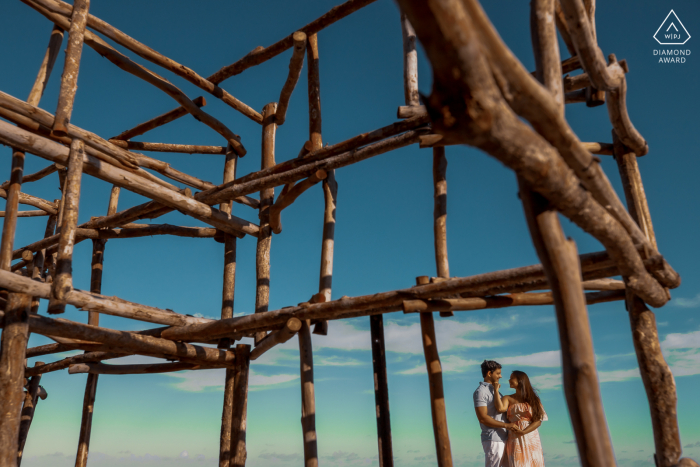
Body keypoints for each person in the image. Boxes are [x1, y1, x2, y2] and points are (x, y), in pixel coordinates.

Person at [493, 370, 547, 467]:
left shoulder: (534, 399)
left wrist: (523, 432)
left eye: (512, 378)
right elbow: (501, 408)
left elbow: (538, 421)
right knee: (517, 463)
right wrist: (496, 391)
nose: (509, 380)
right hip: (514, 436)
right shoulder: (507, 398)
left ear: (520, 380)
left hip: (531, 436)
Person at [474, 360, 519, 467]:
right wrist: (507, 425)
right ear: (489, 373)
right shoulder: (481, 392)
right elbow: (483, 418)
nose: (501, 376)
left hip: (504, 438)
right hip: (493, 439)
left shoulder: (496, 391)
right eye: (498, 373)